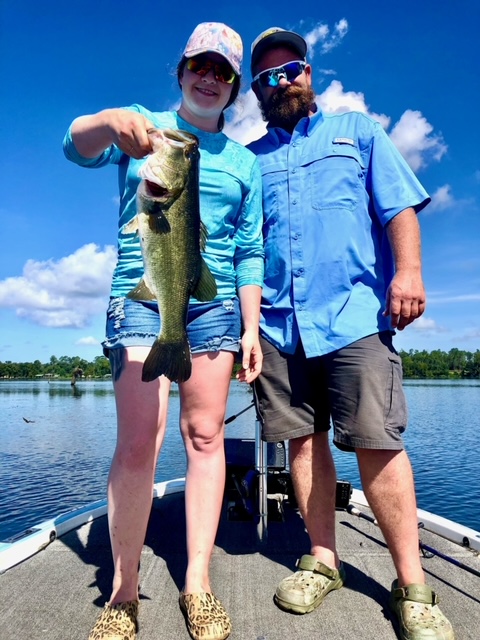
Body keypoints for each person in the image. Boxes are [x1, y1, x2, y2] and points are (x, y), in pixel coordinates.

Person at [247, 27, 454, 640]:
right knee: (304, 446)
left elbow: (397, 207)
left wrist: (409, 272)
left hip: (355, 318)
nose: (280, 82)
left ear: (310, 73)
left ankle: (412, 583)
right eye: (266, 78)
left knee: (377, 443)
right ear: (256, 91)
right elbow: (241, 251)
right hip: (280, 329)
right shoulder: (250, 161)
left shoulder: (357, 133)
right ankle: (324, 559)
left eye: (291, 70)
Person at [63, 22, 264, 640]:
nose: (210, 77)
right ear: (180, 72)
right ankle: (123, 594)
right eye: (200, 65)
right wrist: (110, 118)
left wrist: (251, 329)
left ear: (233, 89)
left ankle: (197, 584)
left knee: (205, 435)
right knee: (138, 443)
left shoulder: (243, 163)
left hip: (214, 302)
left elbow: (250, 250)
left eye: (223, 72)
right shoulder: (143, 128)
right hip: (141, 296)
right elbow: (75, 145)